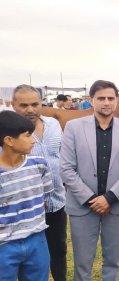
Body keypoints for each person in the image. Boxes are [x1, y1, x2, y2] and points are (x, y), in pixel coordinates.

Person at [60, 80, 119, 281]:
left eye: (111, 98)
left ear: (117, 100)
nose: (106, 102)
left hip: (115, 205)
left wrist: (110, 198)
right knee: (82, 262)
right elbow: (66, 168)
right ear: (91, 100)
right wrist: (92, 199)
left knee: (113, 260)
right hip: (82, 206)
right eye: (101, 98)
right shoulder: (73, 128)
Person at [11, 85, 68, 281]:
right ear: (13, 105)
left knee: (59, 250)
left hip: (57, 201)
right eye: (24, 105)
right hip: (27, 209)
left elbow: (60, 155)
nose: (30, 110)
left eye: (35, 104)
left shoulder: (53, 124)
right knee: (27, 258)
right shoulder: (7, 133)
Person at [0, 111, 52, 281]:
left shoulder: (39, 166)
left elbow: (43, 197)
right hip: (4, 246)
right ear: (9, 140)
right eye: (28, 135)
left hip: (37, 241)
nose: (33, 140)